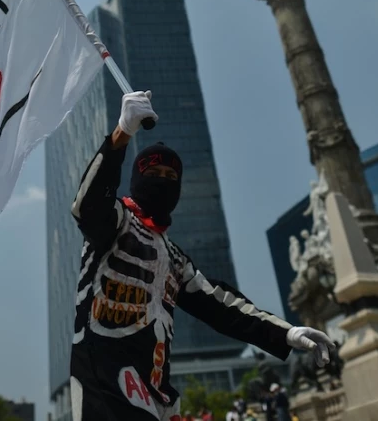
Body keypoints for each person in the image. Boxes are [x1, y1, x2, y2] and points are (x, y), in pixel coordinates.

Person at [68, 91, 335, 421]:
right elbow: (86, 207)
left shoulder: (174, 260)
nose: (163, 182)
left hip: (156, 397)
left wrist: (286, 333)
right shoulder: (116, 221)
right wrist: (121, 134)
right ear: (137, 179)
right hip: (104, 389)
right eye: (155, 174)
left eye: (171, 178)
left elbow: (223, 307)